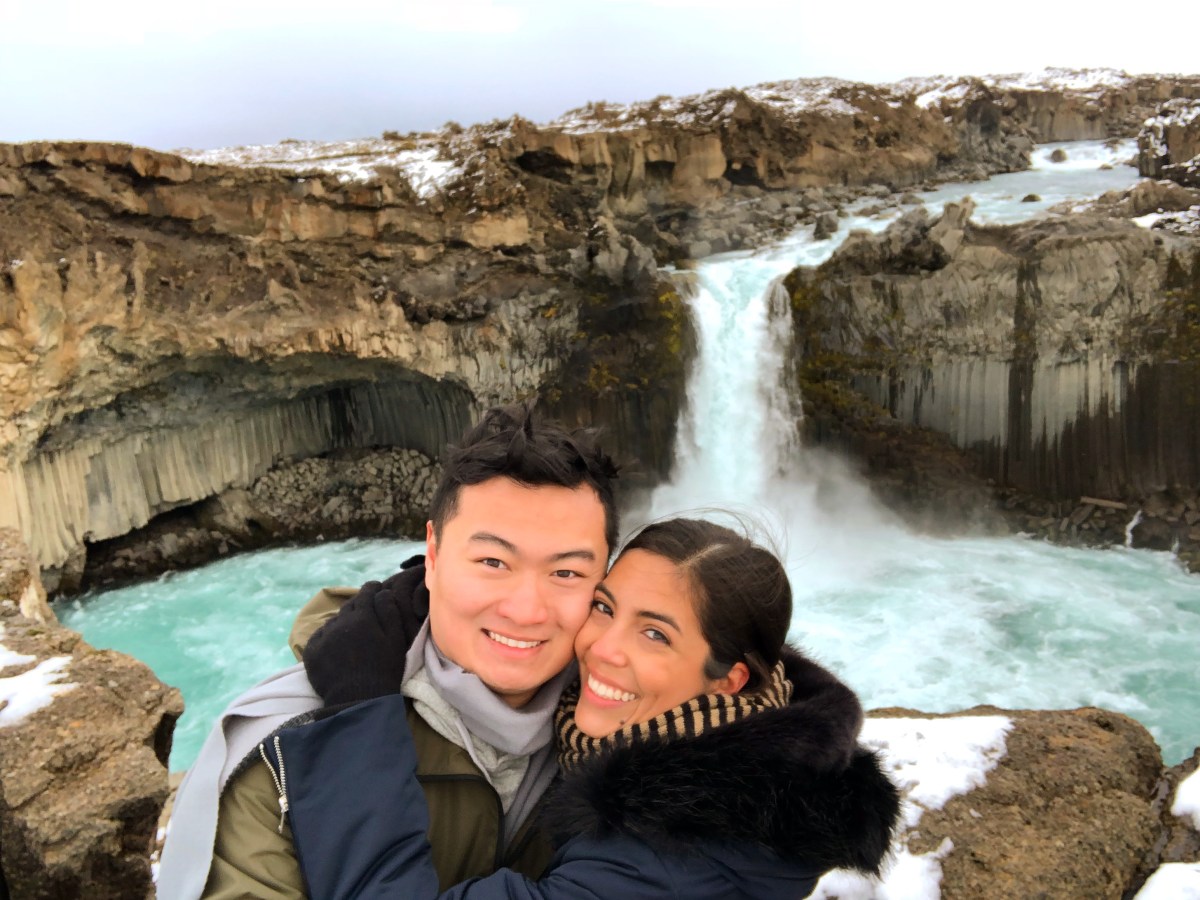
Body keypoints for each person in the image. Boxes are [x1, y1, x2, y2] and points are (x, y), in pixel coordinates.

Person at [258, 518, 901, 899]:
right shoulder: (754, 754)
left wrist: (358, 707)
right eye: (603, 606)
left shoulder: (666, 863)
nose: (600, 649)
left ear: (730, 681)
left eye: (655, 634)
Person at [156, 402, 622, 898]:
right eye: (492, 561)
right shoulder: (286, 751)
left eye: (566, 572)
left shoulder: (629, 734)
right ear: (433, 555)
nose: (526, 610)